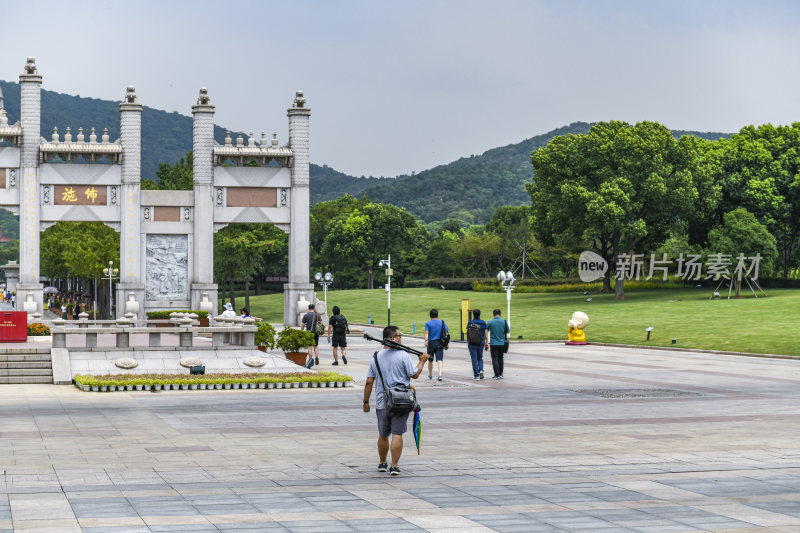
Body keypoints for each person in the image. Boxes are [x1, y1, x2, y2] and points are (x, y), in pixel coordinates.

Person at [363, 325, 428, 475]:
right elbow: (415, 374)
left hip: (382, 402)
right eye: (399, 336)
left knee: (383, 434)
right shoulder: (403, 355)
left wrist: (365, 401)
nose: (401, 338)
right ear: (392, 338)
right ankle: (394, 465)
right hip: (401, 401)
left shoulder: (376, 357)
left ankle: (382, 463)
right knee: (397, 434)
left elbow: (369, 381)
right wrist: (422, 361)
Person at [424, 309, 448, 381]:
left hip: (431, 343)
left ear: (430, 315)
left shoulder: (428, 323)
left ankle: (430, 375)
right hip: (439, 342)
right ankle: (440, 375)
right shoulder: (442, 322)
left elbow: (426, 333)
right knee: (440, 359)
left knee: (430, 360)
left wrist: (426, 341)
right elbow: (446, 332)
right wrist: (446, 343)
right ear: (437, 315)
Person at [486, 308, 510, 379]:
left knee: (494, 359)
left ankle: (496, 374)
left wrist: (486, 342)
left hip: (493, 343)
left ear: (493, 314)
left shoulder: (490, 322)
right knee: (501, 358)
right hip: (502, 343)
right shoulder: (504, 322)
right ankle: (501, 373)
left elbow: (486, 331)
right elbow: (508, 332)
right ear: (500, 314)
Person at [466, 309, 489, 380]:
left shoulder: (470, 322)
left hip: (472, 343)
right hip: (480, 342)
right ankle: (481, 370)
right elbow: (485, 333)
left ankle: (476, 375)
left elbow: (468, 331)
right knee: (480, 358)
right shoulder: (483, 322)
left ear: (473, 314)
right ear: (480, 314)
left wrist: (468, 340)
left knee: (474, 359)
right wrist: (486, 342)